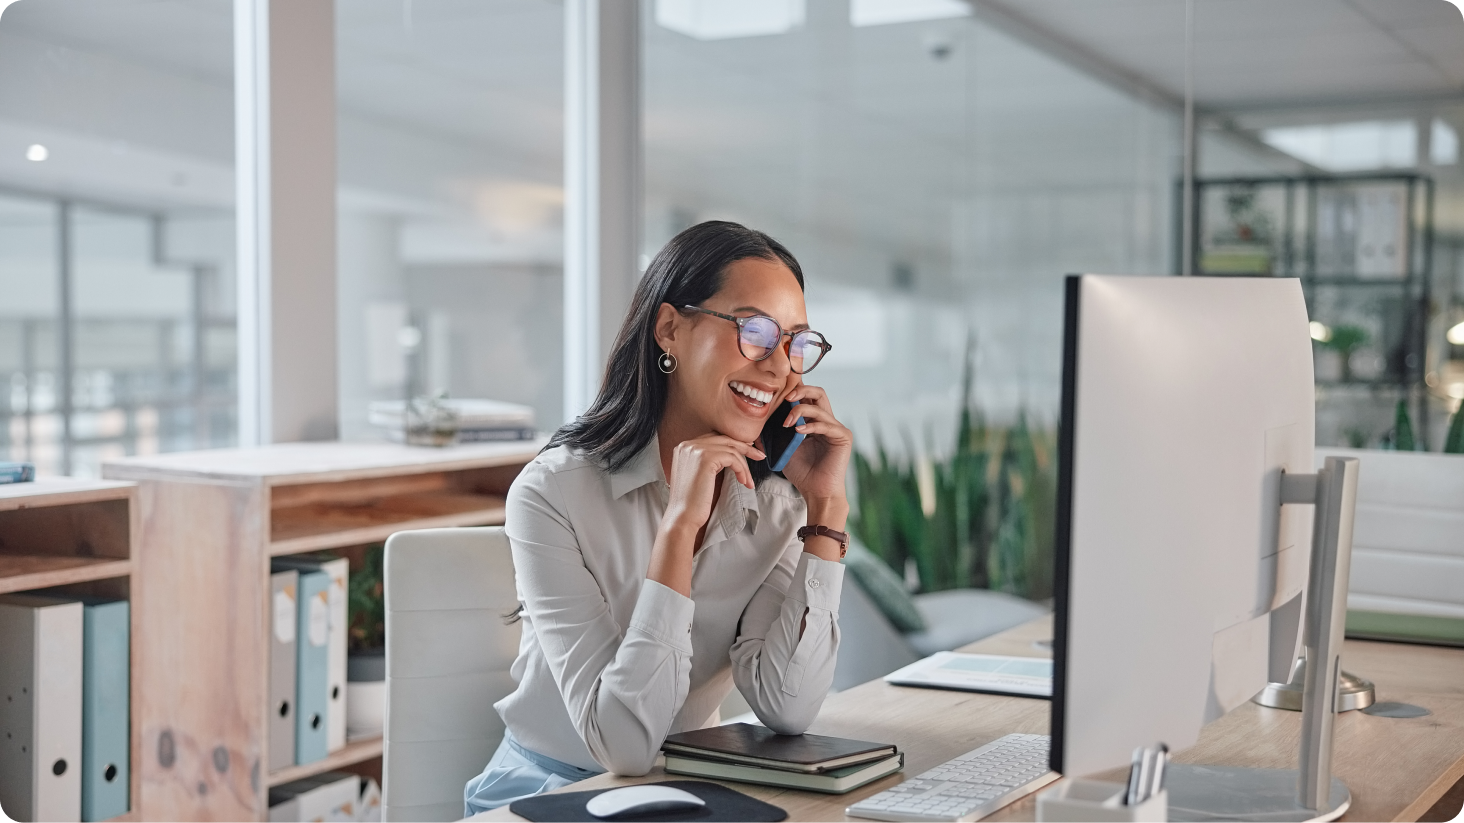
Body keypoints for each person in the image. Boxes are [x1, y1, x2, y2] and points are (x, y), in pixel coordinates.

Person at [463, 221, 853, 814]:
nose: (779, 367)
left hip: (690, 789)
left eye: (796, 342)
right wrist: (679, 529)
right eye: (754, 330)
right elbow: (623, 746)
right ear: (670, 328)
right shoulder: (552, 493)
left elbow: (787, 705)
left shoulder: (780, 505)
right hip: (549, 790)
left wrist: (826, 509)